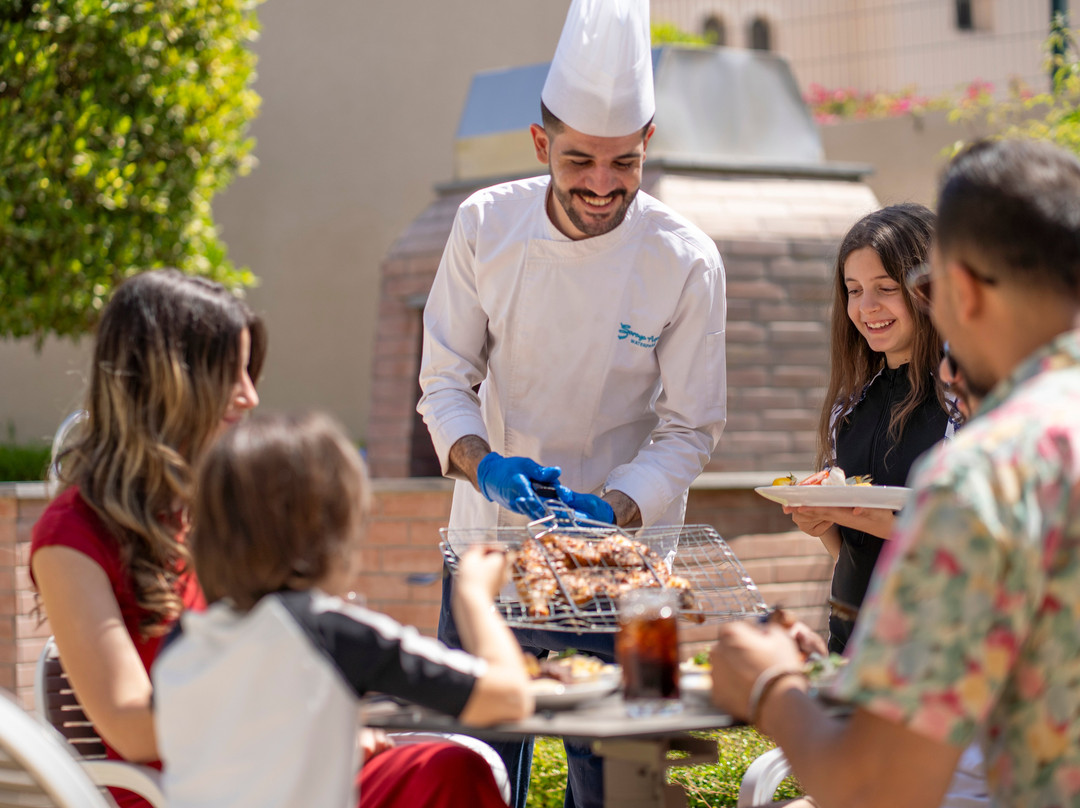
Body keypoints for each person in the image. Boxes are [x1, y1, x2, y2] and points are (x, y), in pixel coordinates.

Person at [709, 137, 1080, 808]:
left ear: (954, 291)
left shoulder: (990, 473)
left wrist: (769, 687)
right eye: (855, 291)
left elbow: (879, 789)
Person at [416, 1, 725, 805]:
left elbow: (691, 427)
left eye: (625, 163)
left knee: (623, 784)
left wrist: (614, 507)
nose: (601, 184)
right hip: (489, 545)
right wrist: (487, 469)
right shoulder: (484, 224)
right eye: (579, 159)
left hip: (631, 555)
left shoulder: (686, 259)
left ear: (649, 143)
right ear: (539, 143)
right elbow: (444, 381)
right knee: (476, 774)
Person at [152, 411, 533, 808]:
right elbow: (509, 697)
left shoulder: (182, 641)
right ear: (332, 532)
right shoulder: (332, 634)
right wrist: (473, 597)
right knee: (463, 767)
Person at [30, 269, 265, 808]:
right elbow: (133, 726)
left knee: (445, 763)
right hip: (192, 793)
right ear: (166, 379)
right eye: (229, 372)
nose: (250, 396)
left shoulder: (210, 512)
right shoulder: (71, 535)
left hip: (270, 771)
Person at [782, 203, 954, 653]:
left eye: (886, 288)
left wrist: (867, 518)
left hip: (931, 652)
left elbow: (969, 543)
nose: (866, 307)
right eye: (854, 290)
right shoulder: (849, 406)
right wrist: (821, 522)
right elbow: (853, 553)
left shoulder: (967, 402)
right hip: (850, 645)